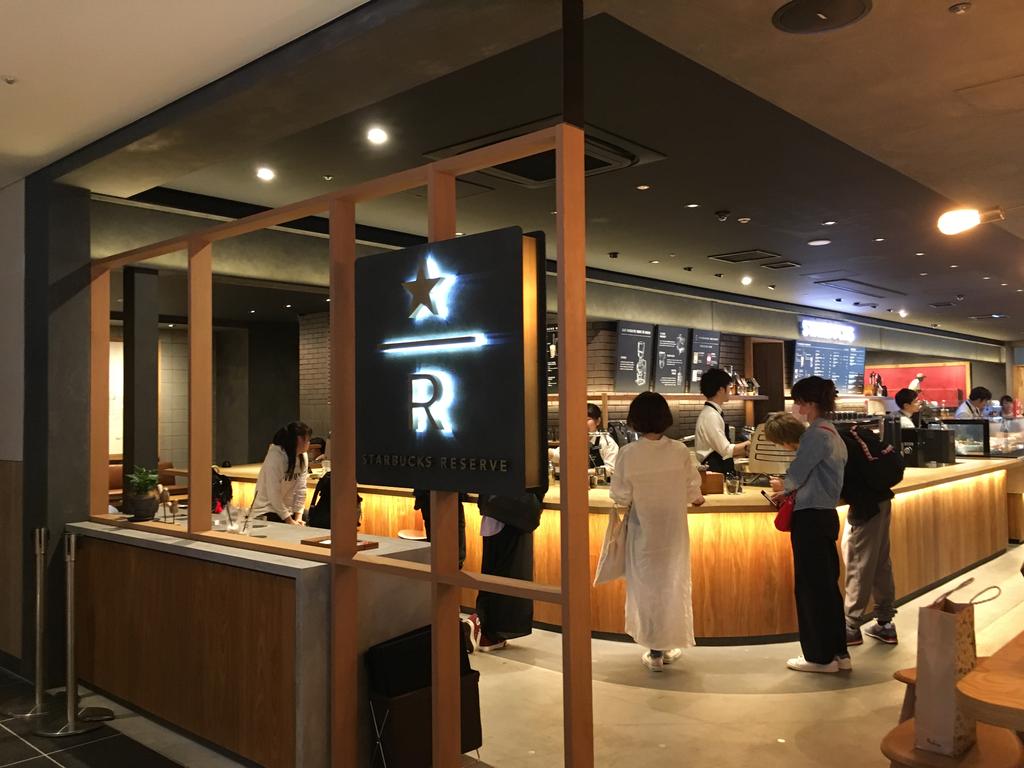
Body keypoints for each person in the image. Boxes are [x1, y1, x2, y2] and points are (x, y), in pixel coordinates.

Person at [610, 391, 704, 672]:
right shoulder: (679, 450)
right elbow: (693, 489)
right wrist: (696, 497)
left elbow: (620, 495)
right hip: (673, 532)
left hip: (643, 532)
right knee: (672, 585)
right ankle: (666, 644)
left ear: (634, 420)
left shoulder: (628, 453)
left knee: (646, 588)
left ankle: (654, 652)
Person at [766, 376, 849, 674]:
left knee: (810, 588)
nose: (796, 407)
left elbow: (796, 475)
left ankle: (819, 658)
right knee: (827, 587)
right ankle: (839, 653)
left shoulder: (815, 435)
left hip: (810, 518)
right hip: (826, 515)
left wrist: (783, 486)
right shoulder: (833, 433)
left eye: (799, 401)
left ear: (810, 403)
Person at [839, 419, 904, 648]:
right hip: (881, 500)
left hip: (865, 507)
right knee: (879, 563)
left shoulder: (832, 440)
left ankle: (851, 627)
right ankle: (885, 623)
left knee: (859, 563)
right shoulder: (851, 435)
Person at [466, 490, 543, 652]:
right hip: (512, 511)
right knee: (508, 575)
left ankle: (482, 625)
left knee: (494, 572)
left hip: (495, 508)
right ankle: (484, 627)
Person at [251, 421, 311, 525]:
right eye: (307, 439)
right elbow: (273, 493)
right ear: (299, 439)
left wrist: (298, 517)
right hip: (266, 510)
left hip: (287, 511)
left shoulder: (302, 456)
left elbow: (301, 489)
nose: (309, 443)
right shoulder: (275, 455)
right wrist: (289, 521)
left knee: (309, 518)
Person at [695, 367, 750, 474]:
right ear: (721, 390)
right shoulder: (711, 415)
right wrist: (749, 444)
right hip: (715, 471)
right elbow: (725, 450)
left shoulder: (712, 413)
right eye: (729, 387)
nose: (730, 390)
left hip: (718, 468)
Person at [548, 403, 619, 473]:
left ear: (598, 421)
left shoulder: (607, 442)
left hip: (601, 480)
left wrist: (586, 472)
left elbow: (610, 469)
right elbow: (559, 455)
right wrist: (549, 452)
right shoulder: (575, 440)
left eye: (588, 419)